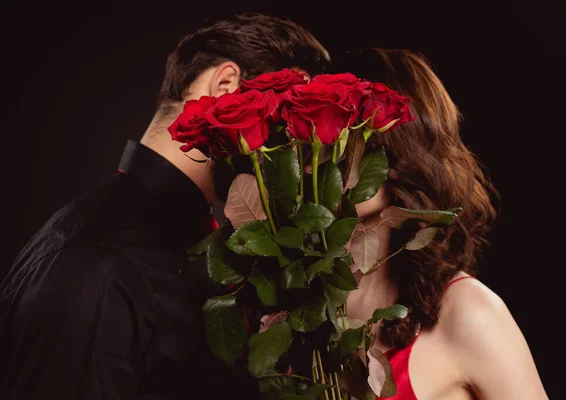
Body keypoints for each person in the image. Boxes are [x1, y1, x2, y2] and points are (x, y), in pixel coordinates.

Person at [0, 13, 330, 400]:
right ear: (226, 85)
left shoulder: (188, 248)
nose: (296, 149)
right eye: (289, 117)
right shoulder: (100, 260)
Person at [336, 48, 549, 399]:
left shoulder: (470, 313)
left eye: (347, 138)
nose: (318, 159)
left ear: (402, 151)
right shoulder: (301, 314)